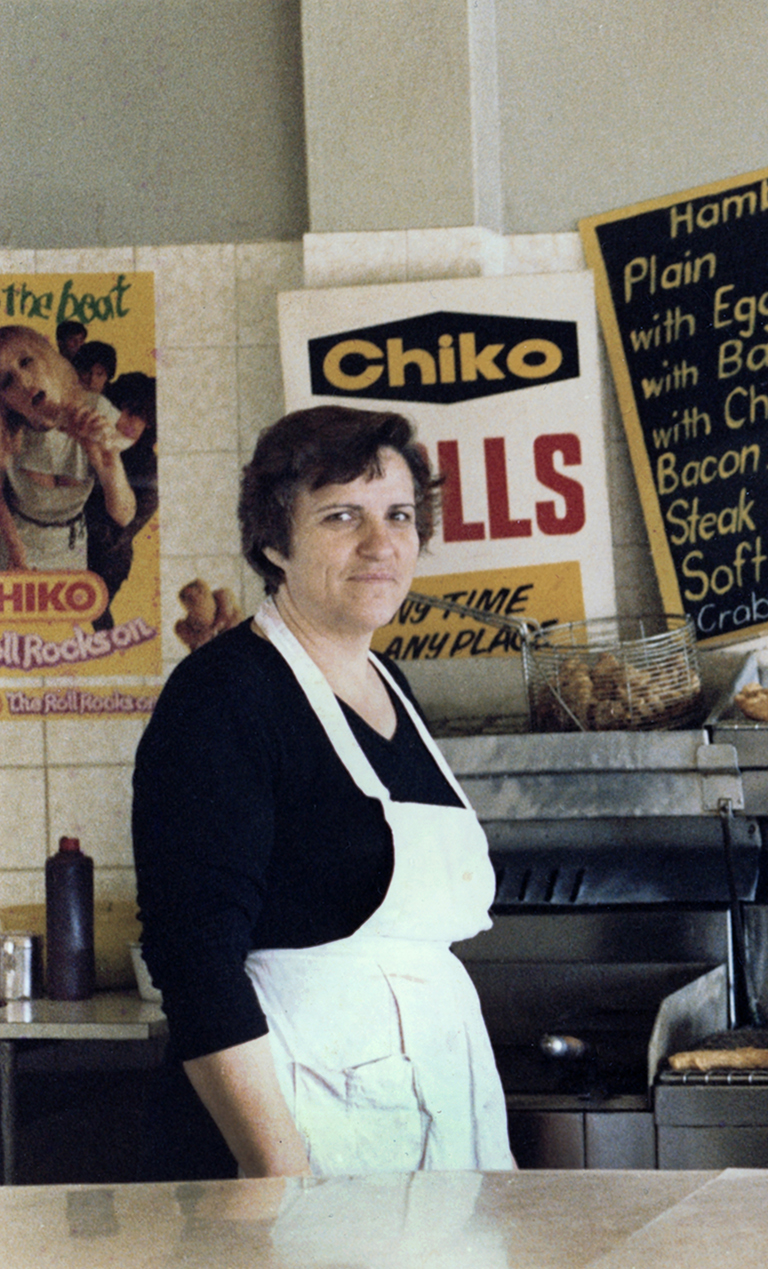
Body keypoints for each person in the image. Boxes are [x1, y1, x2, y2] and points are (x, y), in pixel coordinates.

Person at [133, 405, 513, 1178]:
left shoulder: (390, 683)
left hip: (440, 1128)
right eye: (342, 516)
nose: (381, 543)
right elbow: (195, 959)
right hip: (300, 1134)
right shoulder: (223, 696)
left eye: (398, 515)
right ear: (274, 542)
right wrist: (282, 1180)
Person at [0, 324, 135, 570]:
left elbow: (123, 514)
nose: (24, 381)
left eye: (26, 362)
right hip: (15, 550)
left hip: (71, 548)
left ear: (46, 358)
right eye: (6, 381)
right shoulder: (6, 432)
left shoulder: (97, 411)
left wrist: (109, 463)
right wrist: (14, 548)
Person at [88, 372, 159, 629]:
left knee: (96, 616)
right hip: (68, 546)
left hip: (107, 561)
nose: (130, 421)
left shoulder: (149, 468)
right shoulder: (90, 440)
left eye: (139, 414)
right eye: (123, 411)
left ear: (149, 421)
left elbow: (121, 525)